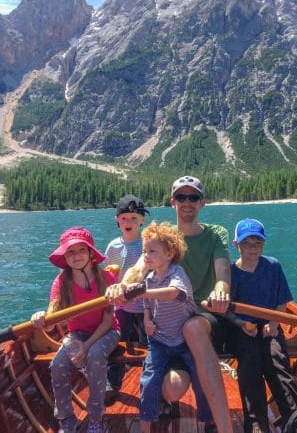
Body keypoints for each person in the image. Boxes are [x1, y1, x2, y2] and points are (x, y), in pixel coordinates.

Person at [105, 175, 234, 433]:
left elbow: (223, 275)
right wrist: (123, 285)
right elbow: (139, 270)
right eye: (181, 197)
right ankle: (164, 396)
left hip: (204, 319)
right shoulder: (163, 238)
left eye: (193, 197)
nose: (187, 202)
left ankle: (221, 426)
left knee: (194, 328)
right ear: (172, 202)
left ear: (202, 203)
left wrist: (221, 290)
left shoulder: (215, 234)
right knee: (173, 388)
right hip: (168, 330)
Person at [31, 227, 120, 433]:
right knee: (57, 364)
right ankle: (66, 418)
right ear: (65, 257)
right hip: (77, 334)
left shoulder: (106, 278)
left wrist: (86, 346)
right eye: (70, 252)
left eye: (81, 250)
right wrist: (40, 318)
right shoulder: (61, 282)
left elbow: (108, 321)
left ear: (91, 253)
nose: (76, 256)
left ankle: (96, 417)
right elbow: (52, 320)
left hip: (108, 332)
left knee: (96, 355)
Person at [128, 221, 212, 432]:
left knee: (202, 377)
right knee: (148, 380)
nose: (146, 256)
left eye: (152, 251)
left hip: (185, 341)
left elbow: (172, 293)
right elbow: (147, 305)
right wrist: (147, 320)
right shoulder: (149, 278)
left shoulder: (177, 274)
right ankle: (146, 425)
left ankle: (207, 420)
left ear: (169, 253)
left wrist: (140, 291)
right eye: (145, 251)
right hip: (159, 341)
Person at [228, 218, 297, 433]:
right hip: (243, 330)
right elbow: (227, 310)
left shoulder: (273, 266)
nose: (253, 248)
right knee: (250, 364)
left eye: (258, 243)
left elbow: (282, 301)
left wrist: (274, 322)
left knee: (277, 361)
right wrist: (241, 323)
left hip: (271, 327)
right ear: (236, 245)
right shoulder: (231, 273)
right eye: (247, 243)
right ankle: (256, 425)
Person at [103, 194, 149, 403]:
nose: (128, 222)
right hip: (122, 307)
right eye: (124, 218)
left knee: (150, 346)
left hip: (148, 306)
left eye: (134, 218)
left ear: (142, 220)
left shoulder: (147, 244)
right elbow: (108, 276)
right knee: (118, 347)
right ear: (116, 220)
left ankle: (151, 385)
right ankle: (112, 384)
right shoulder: (113, 247)